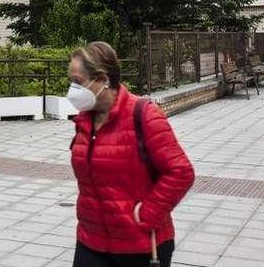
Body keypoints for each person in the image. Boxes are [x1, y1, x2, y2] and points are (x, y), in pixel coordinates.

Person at [67, 42, 194, 267]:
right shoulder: (85, 119)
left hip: (138, 245)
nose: (72, 89)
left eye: (78, 81)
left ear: (103, 80)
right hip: (90, 241)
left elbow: (181, 172)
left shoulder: (144, 115)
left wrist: (147, 215)